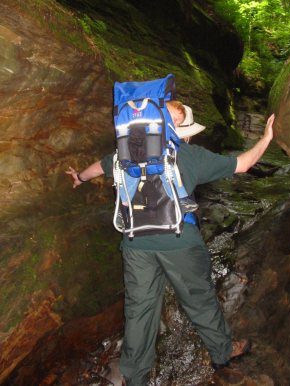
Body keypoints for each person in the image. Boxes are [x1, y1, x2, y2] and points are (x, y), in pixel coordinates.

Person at [66, 105, 275, 386]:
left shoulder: (128, 152)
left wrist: (78, 177)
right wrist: (266, 139)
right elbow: (243, 165)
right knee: (199, 299)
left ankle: (135, 377)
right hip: (179, 240)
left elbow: (97, 169)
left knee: (139, 310)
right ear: (184, 133)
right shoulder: (189, 154)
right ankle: (223, 353)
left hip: (135, 241)